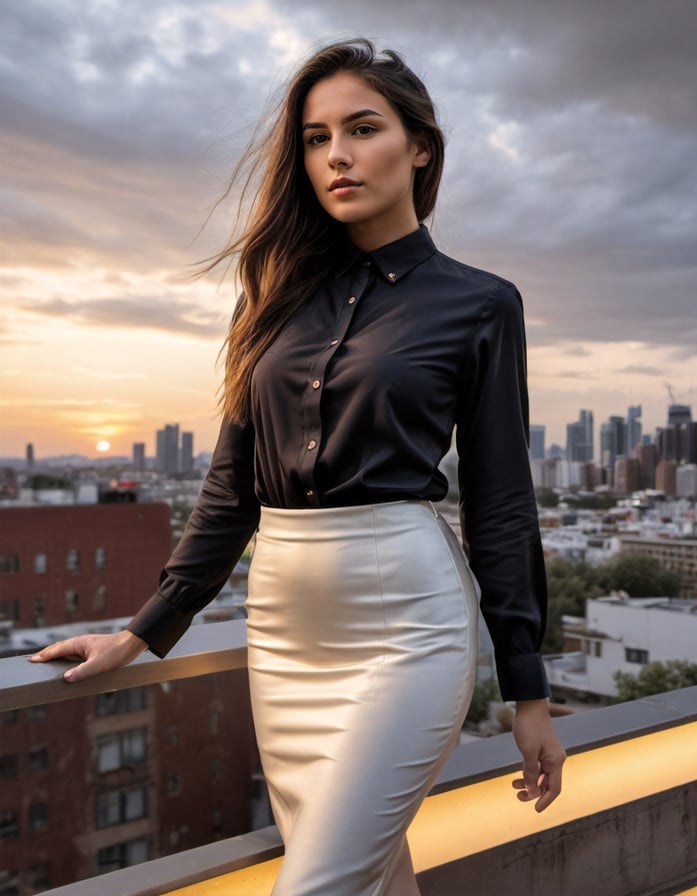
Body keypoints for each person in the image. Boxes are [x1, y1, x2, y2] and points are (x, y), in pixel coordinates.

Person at [30, 38, 566, 896]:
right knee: (372, 877)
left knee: (316, 885)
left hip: (408, 623)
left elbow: (501, 502)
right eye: (316, 139)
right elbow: (230, 488)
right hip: (282, 632)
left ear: (420, 145)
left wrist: (526, 690)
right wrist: (143, 631)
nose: (337, 156)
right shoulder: (270, 295)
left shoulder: (481, 303)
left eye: (362, 129)